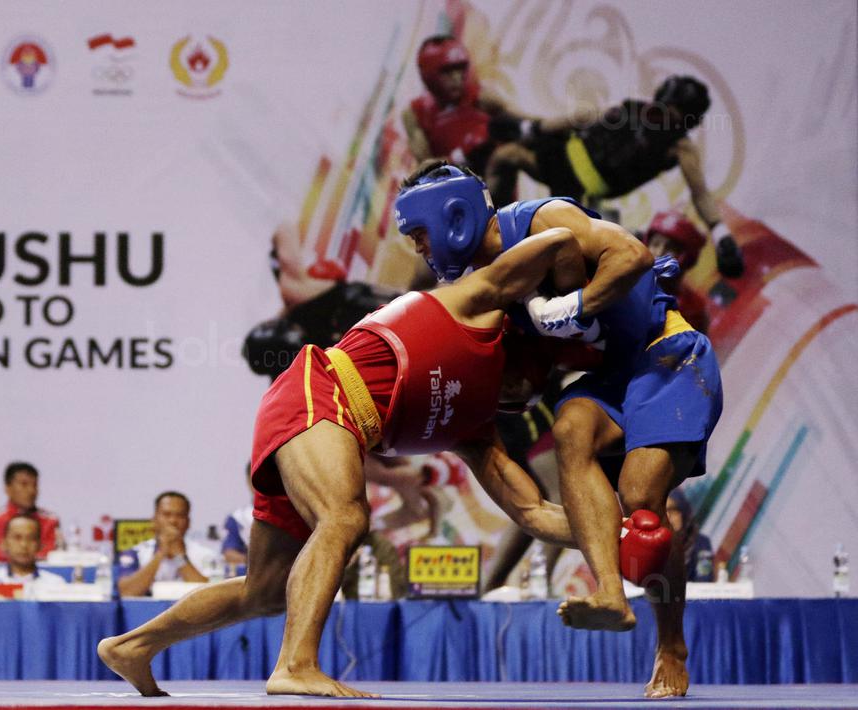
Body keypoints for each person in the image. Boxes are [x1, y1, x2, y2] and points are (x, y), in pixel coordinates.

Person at [98, 176, 588, 698]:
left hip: (316, 423)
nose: (520, 402)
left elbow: (533, 512)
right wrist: (569, 303)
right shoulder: (474, 304)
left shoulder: (476, 428)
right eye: (525, 388)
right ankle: (295, 665)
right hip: (318, 393)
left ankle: (133, 646)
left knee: (263, 592)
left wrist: (610, 533)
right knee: (346, 516)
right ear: (522, 361)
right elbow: (558, 241)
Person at [410, 161, 722, 698]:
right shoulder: (485, 287)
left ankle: (671, 645)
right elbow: (522, 379)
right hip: (609, 378)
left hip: (666, 354)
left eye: (417, 235)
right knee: (571, 426)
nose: (417, 249)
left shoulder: (541, 220)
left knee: (642, 501)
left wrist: (575, 305)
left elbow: (633, 256)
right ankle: (610, 595)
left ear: (451, 216)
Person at [485, 75, 744, 278]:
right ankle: (490, 222)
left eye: (672, 115)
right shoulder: (632, 109)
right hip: (561, 157)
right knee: (506, 156)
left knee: (548, 240)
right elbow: (587, 117)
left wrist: (721, 234)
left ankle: (509, 256)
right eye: (663, 110)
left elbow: (700, 193)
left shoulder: (680, 147)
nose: (662, 118)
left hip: (581, 187)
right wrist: (535, 128)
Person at [402, 35, 523, 174]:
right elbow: (426, 169)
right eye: (448, 71)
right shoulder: (415, 113)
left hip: (497, 183)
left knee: (514, 153)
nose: (457, 78)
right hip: (456, 188)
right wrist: (463, 155)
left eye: (460, 69)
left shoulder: (482, 97)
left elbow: (525, 123)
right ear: (429, 75)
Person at [116, 491, 216, 597]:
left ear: (188, 522)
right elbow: (127, 593)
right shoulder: (135, 552)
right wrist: (161, 553)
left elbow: (210, 597)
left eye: (180, 515)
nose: (173, 521)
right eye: (166, 514)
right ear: (154, 520)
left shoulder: (205, 555)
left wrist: (179, 556)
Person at [641, 210, 710, 333]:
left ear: (685, 258)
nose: (659, 252)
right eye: (655, 244)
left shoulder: (692, 309)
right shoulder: (624, 285)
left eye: (669, 248)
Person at [0, 516, 69, 587]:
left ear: (40, 545)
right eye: (17, 538)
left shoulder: (55, 584)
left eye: (31, 538)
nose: (24, 545)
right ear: (4, 543)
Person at [666, 489, 714, 583]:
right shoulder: (651, 543)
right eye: (663, 512)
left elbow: (705, 577)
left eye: (673, 511)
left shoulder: (702, 543)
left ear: (684, 513)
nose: (668, 517)